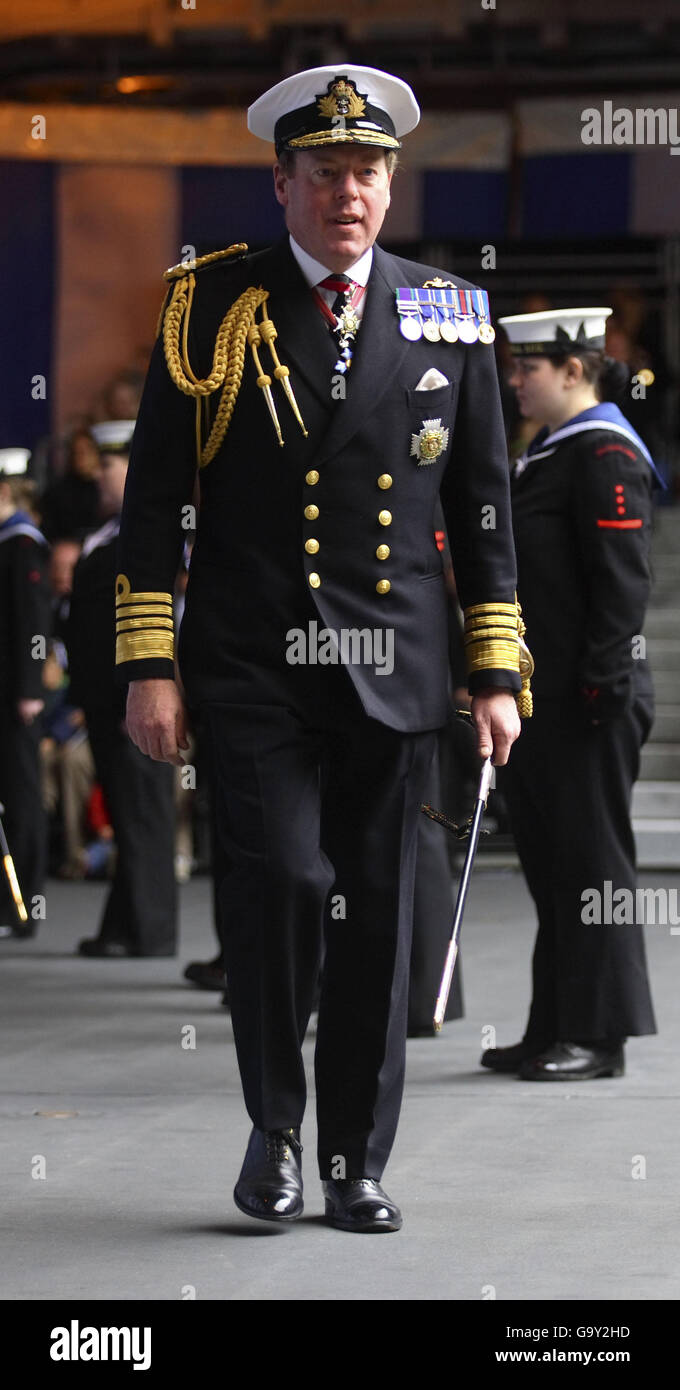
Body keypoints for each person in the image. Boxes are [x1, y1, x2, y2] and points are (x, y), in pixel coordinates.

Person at [117, 64, 527, 1232]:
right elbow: (154, 501)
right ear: (281, 184)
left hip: (393, 667)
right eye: (326, 173)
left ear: (389, 185)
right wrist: (151, 661)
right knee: (286, 886)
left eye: (368, 172)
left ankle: (354, 1159)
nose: (349, 193)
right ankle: (274, 1127)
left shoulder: (446, 311)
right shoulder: (210, 306)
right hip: (252, 664)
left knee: (377, 918)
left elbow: (482, 509)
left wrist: (493, 667)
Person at [485, 307, 658, 1081]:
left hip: (590, 695)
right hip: (542, 698)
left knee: (593, 868)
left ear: (574, 370)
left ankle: (599, 1035)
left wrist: (602, 687)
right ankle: (555, 1023)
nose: (515, 381)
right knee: (555, 866)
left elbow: (621, 591)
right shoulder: (550, 454)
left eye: (528, 368)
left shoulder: (604, 453)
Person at [67, 421, 178, 958]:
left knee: (142, 810)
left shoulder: (138, 539)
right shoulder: (106, 534)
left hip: (127, 695)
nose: (101, 480)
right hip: (101, 698)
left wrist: (136, 691)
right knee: (125, 809)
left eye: (109, 468)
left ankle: (150, 927)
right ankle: (125, 921)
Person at [0, 449, 51, 940]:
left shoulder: (21, 543)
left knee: (21, 797)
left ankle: (23, 905)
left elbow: (31, 620)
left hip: (16, 696)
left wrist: (30, 689)